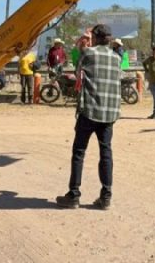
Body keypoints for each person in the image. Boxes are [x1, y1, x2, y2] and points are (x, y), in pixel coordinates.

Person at [56, 24, 122, 210]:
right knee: (106, 153)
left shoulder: (88, 54)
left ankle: (74, 195)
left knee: (79, 152)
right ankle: (106, 197)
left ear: (95, 37)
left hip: (89, 110)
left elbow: (77, 72)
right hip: (109, 113)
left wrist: (81, 43)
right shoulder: (117, 58)